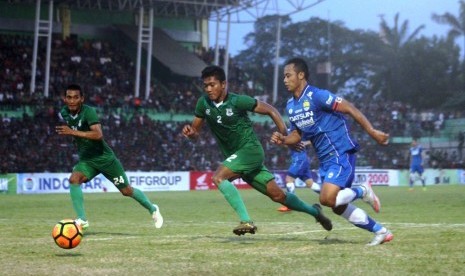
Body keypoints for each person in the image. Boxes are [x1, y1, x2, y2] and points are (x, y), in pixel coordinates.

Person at [182, 65, 332, 235]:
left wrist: (285, 137)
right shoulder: (203, 103)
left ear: (223, 84)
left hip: (250, 150)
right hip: (238, 158)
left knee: (218, 177)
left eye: (212, 84)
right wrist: (190, 132)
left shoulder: (238, 101)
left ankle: (246, 221)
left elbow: (271, 110)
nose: (208, 89)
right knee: (278, 196)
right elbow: (196, 133)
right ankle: (315, 212)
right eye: (206, 86)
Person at [271, 57, 393, 246]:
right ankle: (381, 231)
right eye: (284, 76)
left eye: (288, 75)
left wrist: (372, 131)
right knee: (338, 206)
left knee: (326, 199)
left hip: (340, 150)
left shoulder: (317, 96)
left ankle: (362, 190)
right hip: (325, 159)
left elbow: (349, 108)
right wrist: (284, 139)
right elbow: (298, 134)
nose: (285, 80)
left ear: (301, 75)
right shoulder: (291, 106)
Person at [56, 84, 163, 231]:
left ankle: (153, 209)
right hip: (87, 160)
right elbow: (76, 129)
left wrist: (73, 133)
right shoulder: (64, 112)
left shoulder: (89, 112)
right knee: (74, 179)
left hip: (105, 159)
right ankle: (82, 219)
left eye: (76, 97)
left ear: (82, 98)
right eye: (69, 97)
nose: (72, 101)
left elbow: (98, 135)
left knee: (126, 191)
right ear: (64, 98)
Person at [277, 140, 321, 212]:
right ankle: (331, 196)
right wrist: (282, 142)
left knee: (289, 180)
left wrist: (305, 143)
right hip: (302, 160)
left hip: (299, 160)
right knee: (310, 184)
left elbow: (311, 140)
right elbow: (290, 143)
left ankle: (290, 205)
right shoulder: (291, 132)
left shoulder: (297, 130)